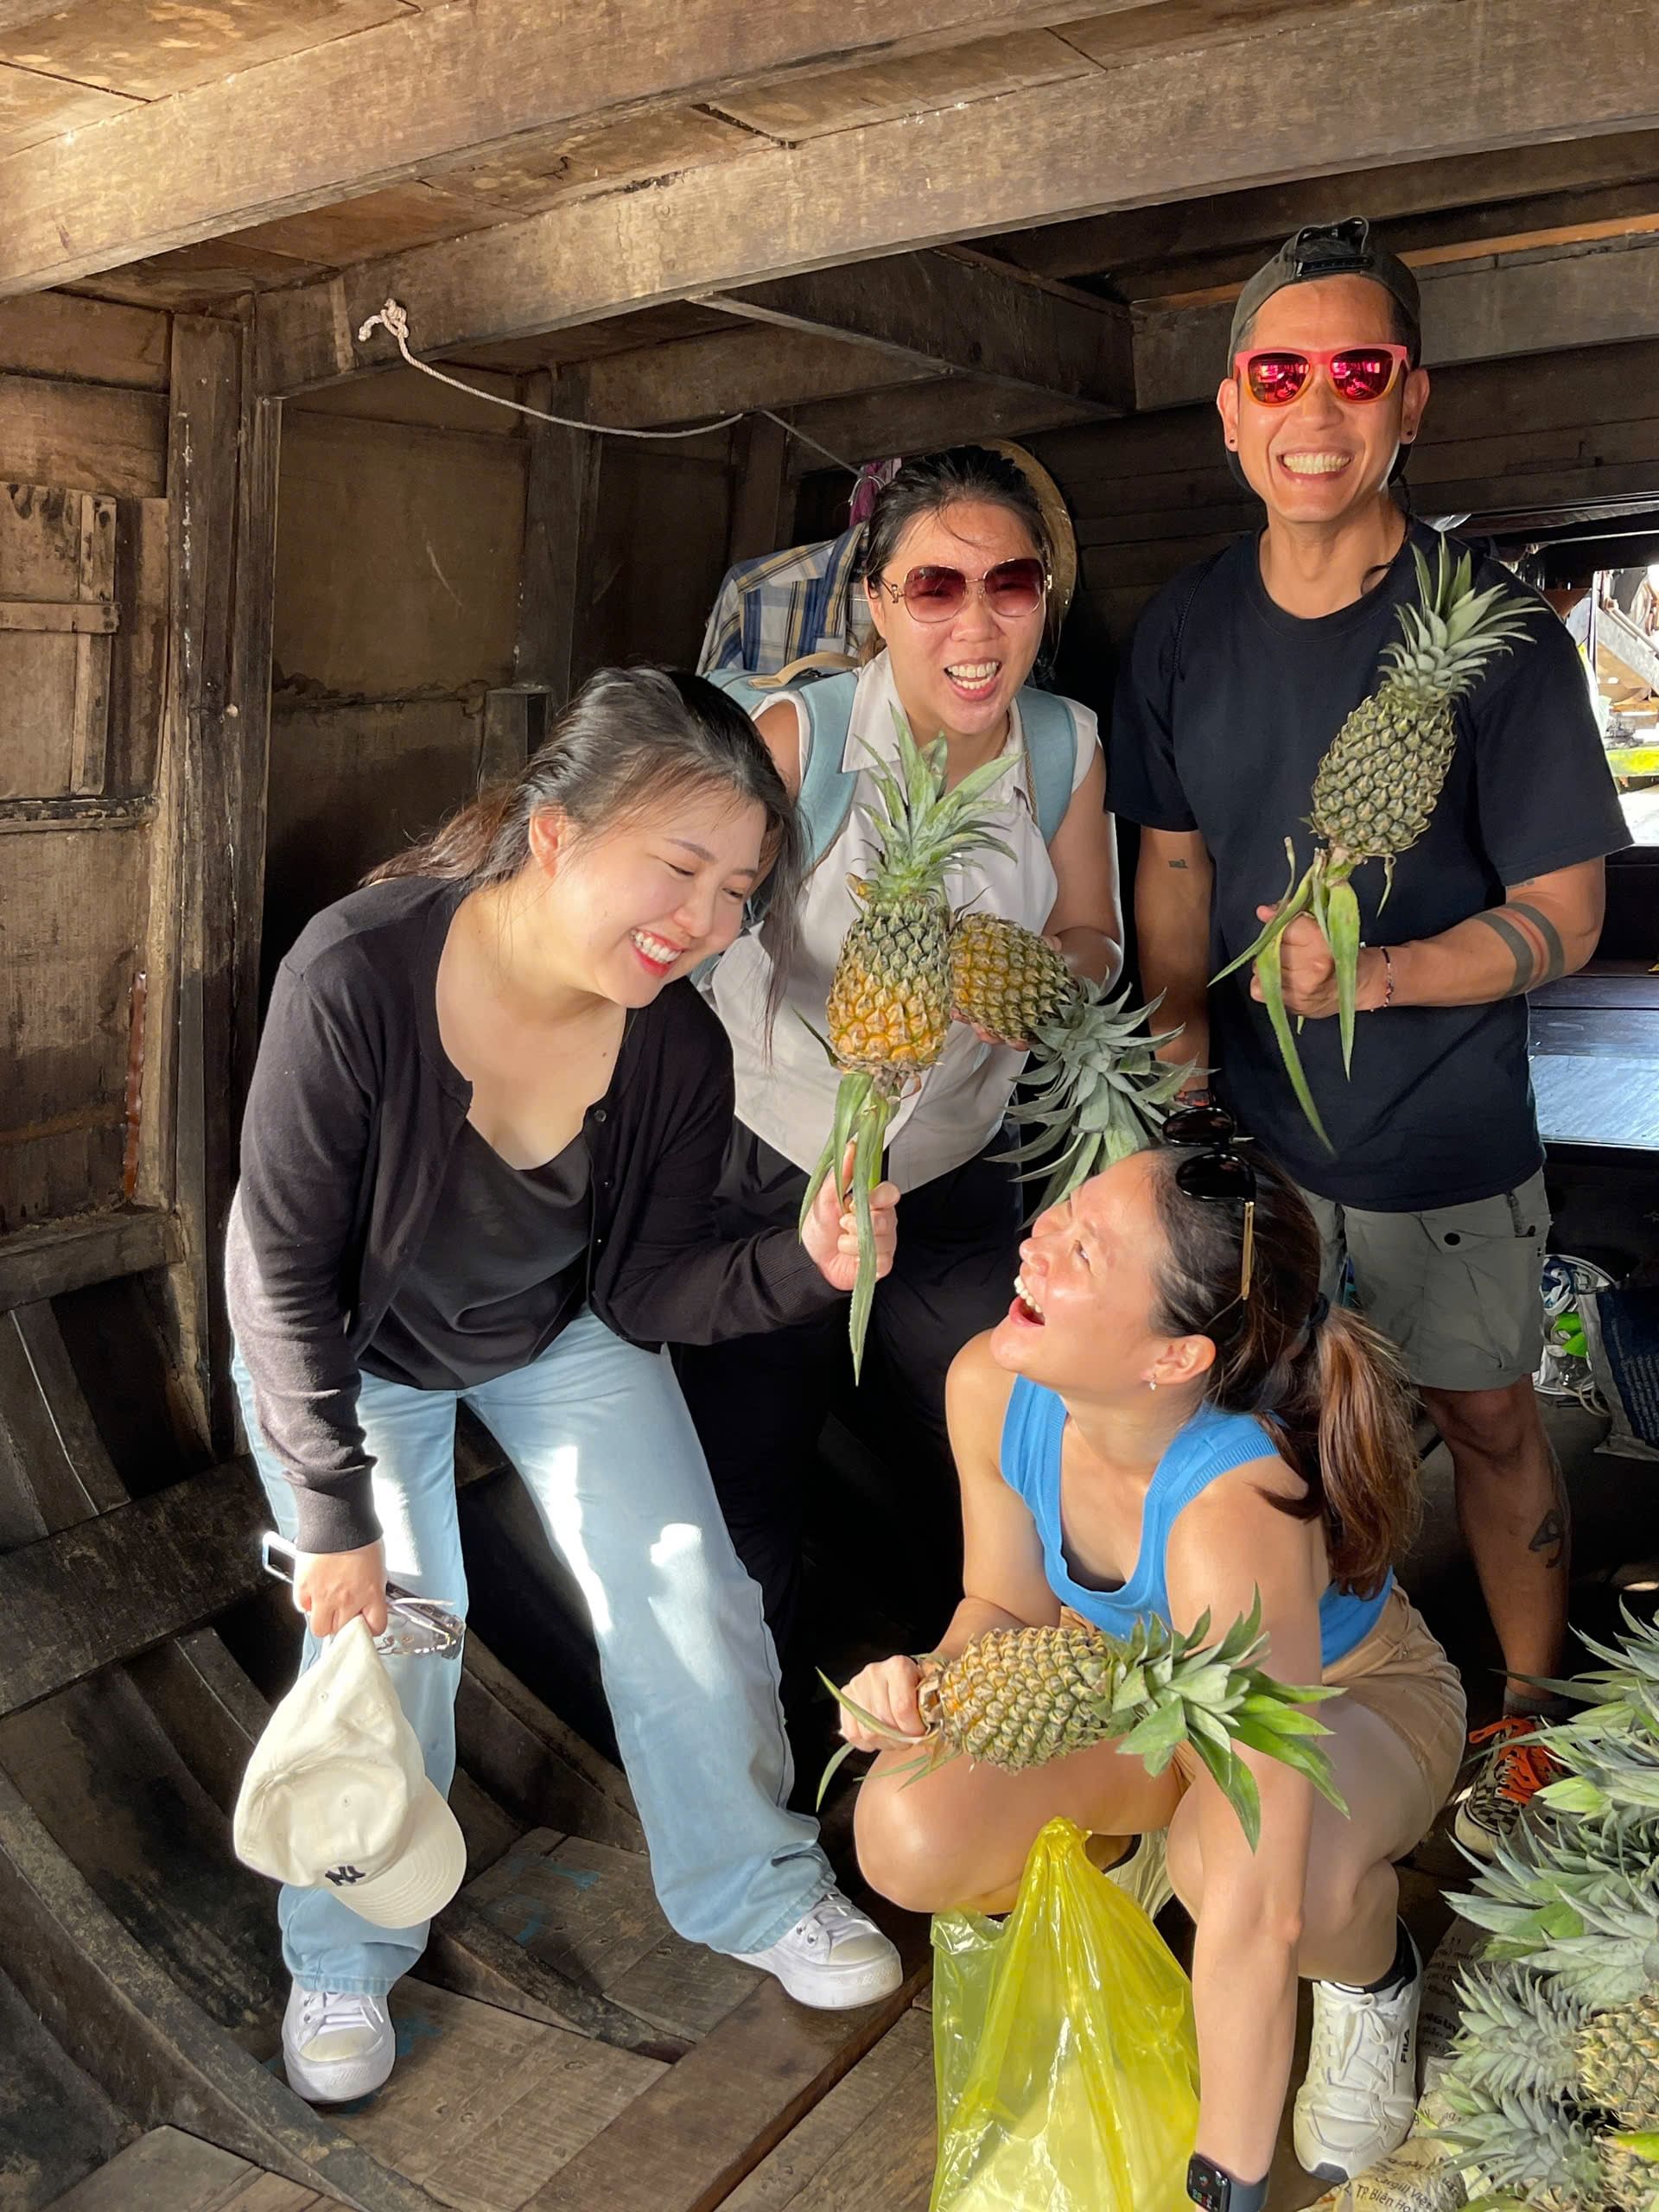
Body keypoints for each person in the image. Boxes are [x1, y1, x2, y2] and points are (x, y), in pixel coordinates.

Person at [226, 667, 905, 2107]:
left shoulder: (672, 1038)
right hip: (350, 1357)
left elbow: (652, 1287)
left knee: (692, 1591)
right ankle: (343, 1951)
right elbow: (278, 1270)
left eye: (739, 891)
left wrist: (808, 1262)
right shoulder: (353, 976)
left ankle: (753, 1886)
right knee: (394, 1642)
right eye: (680, 868)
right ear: (557, 832)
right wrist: (335, 1515)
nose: (707, 923)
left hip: (548, 1333)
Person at [1111, 217, 1631, 1858]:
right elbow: (1173, 875)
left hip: (1441, 1130)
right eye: (1282, 371)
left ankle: (1526, 1719)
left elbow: (1569, 908)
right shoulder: (1184, 631)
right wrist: (1182, 1081)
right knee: (1263, 1433)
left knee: (1486, 1413)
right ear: (1229, 408)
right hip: (1249, 1143)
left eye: (1358, 371)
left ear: (1414, 400)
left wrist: (1390, 978)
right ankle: (1301, 1696)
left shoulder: (1501, 632)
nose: (1316, 408)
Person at [838, 1120, 1467, 2197]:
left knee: (1241, 1870)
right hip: (1129, 1691)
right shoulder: (994, 1382)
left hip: (1344, 1706)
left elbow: (1261, 1886)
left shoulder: (1237, 1512)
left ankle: (1372, 1979)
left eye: (1084, 1252)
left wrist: (1226, 2174)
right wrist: (930, 1681)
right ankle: (1122, 1839)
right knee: (906, 1822)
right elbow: (1001, 1599)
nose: (1035, 1240)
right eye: (1066, 1214)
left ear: (1173, 1357)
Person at [678, 445, 1123, 1653]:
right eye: (935, 588)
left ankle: (985, 1712)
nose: (976, 623)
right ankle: (751, 1772)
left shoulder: (1064, 744)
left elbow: (1092, 932)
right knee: (745, 1486)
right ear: (876, 603)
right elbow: (685, 945)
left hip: (956, 1176)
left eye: (1011, 584)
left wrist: (1035, 983)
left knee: (1005, 1455)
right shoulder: (800, 738)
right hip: (769, 1171)